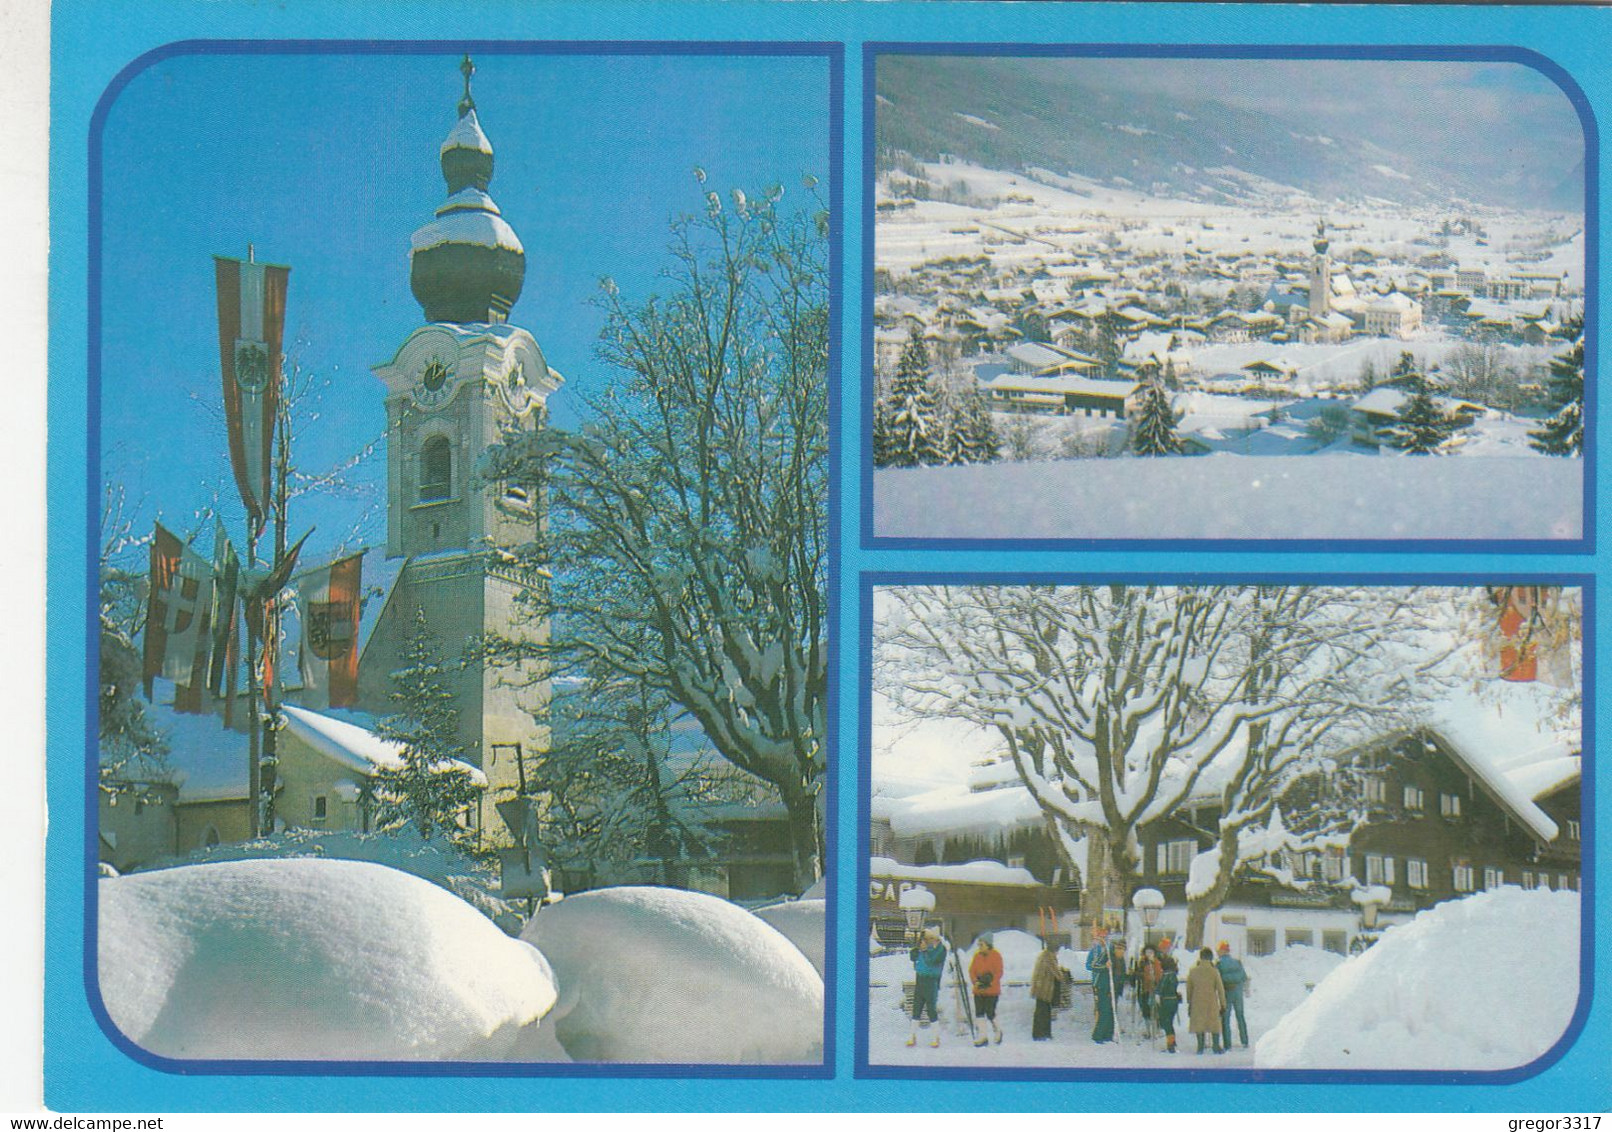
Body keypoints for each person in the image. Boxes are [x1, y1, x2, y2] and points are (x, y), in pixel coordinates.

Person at [906, 926, 948, 1047]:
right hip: (920, 980)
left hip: (931, 981)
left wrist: (923, 951)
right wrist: (916, 949)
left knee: (931, 1010)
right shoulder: (923, 950)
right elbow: (913, 957)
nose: (925, 941)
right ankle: (912, 1036)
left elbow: (932, 961)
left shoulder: (940, 949)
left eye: (928, 938)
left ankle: (935, 1037)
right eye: (924, 938)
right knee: (916, 1009)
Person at [1186, 946, 1227, 1054]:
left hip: (1197, 1001)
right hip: (1211, 1001)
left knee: (1199, 1024)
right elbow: (1220, 989)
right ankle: (1216, 1046)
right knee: (1214, 1024)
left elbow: (1189, 988)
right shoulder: (1214, 971)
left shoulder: (1193, 971)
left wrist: (1189, 1001)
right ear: (1211, 958)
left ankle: (1200, 1047)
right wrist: (1223, 1004)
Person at [968, 934, 1005, 1046]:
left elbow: (999, 972)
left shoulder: (996, 956)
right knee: (979, 1013)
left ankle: (997, 1030)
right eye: (979, 944)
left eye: (981, 944)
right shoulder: (977, 956)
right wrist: (975, 981)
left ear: (988, 944)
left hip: (991, 990)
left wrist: (989, 983)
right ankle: (982, 1036)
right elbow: (971, 970)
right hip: (978, 989)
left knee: (990, 1012)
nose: (979, 946)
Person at [1030, 938, 1068, 1041]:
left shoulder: (1043, 955)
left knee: (1041, 1011)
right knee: (1043, 1012)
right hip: (1044, 989)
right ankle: (1041, 1034)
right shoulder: (1049, 957)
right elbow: (1056, 973)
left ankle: (1041, 1033)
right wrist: (1063, 974)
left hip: (1040, 988)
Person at [1216, 941, 1250, 1049]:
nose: (1217, 953)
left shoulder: (1219, 964)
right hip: (1238, 993)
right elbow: (1244, 977)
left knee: (1225, 1018)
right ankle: (1244, 1040)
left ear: (1222, 951)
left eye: (1219, 951)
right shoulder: (1237, 962)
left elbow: (1217, 979)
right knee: (1240, 1016)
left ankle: (1227, 1044)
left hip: (1226, 992)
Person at [1086, 928, 1115, 1043]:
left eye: (1105, 937)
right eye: (1101, 937)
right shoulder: (1095, 951)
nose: (1103, 940)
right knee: (1102, 1009)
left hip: (1109, 983)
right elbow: (1089, 965)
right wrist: (1103, 967)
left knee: (1109, 1009)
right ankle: (1099, 1034)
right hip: (1099, 983)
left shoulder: (1110, 949)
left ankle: (1108, 1033)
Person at [1154, 941, 1181, 1053]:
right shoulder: (1174, 976)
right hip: (1174, 1001)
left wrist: (1157, 994)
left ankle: (1170, 1044)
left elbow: (1160, 988)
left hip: (1166, 1001)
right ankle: (1172, 1041)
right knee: (1170, 1021)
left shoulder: (1166, 976)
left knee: (1166, 1023)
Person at [1133, 945, 1162, 1032]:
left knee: (1155, 1010)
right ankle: (1148, 1029)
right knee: (1145, 1010)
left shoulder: (1156, 963)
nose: (1149, 955)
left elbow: (1158, 976)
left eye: (1151, 953)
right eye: (1147, 952)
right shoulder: (1141, 963)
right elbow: (1136, 975)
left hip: (1153, 990)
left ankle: (1156, 1029)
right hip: (1143, 990)